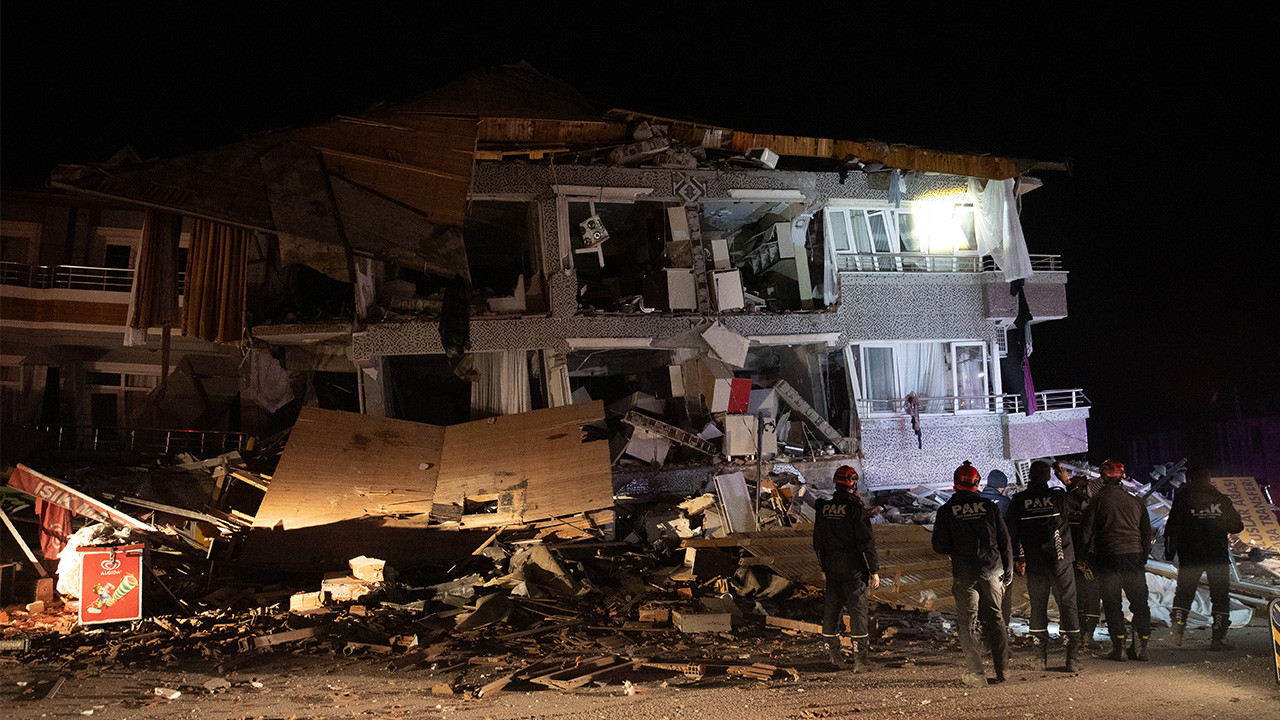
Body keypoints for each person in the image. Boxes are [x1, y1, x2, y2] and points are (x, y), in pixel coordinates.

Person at [932, 461, 1013, 687]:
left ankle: (977, 674)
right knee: (996, 619)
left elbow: (939, 546)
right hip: (993, 571)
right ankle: (1003, 671)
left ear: (956, 483)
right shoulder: (990, 507)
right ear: (977, 483)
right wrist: (1009, 571)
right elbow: (1005, 541)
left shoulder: (947, 511)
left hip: (965, 574)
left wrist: (957, 546)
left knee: (967, 623)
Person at [1007, 460, 1081, 671]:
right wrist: (1066, 481)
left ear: (1030, 476)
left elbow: (1012, 533)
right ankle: (1071, 659)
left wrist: (1018, 558)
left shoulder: (1019, 500)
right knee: (1067, 605)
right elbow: (1082, 503)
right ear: (1049, 476)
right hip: (1061, 561)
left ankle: (1040, 657)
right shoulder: (1059, 496)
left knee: (1038, 607)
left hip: (1035, 563)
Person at [1164, 464, 1243, 650]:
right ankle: (1218, 639)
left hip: (1191, 556)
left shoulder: (1183, 499)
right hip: (1217, 556)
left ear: (1190, 478)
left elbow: (1172, 528)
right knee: (1220, 596)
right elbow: (1236, 526)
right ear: (1208, 478)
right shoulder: (1220, 498)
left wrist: (1170, 553)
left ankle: (1176, 636)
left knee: (1184, 594)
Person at [1082, 459, 1153, 661]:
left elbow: (1086, 533)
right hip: (1134, 558)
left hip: (1108, 558)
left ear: (1104, 476)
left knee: (1113, 604)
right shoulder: (1136, 501)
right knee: (1140, 604)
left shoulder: (1097, 501)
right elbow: (1146, 534)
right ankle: (1141, 648)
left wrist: (1084, 558)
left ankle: (1119, 648)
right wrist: (1142, 558)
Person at [813, 465, 880, 671]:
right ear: (853, 483)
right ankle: (861, 660)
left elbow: (818, 542)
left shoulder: (824, 508)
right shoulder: (855, 509)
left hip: (832, 566)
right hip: (853, 568)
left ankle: (833, 654)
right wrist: (874, 571)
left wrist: (824, 566)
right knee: (858, 611)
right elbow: (866, 542)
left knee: (832, 609)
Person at [1062, 462, 1101, 647]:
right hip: (1089, 560)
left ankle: (1071, 633)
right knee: (1092, 594)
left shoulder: (1063, 504)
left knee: (1071, 595)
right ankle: (1088, 634)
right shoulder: (1093, 505)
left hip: (1069, 560)